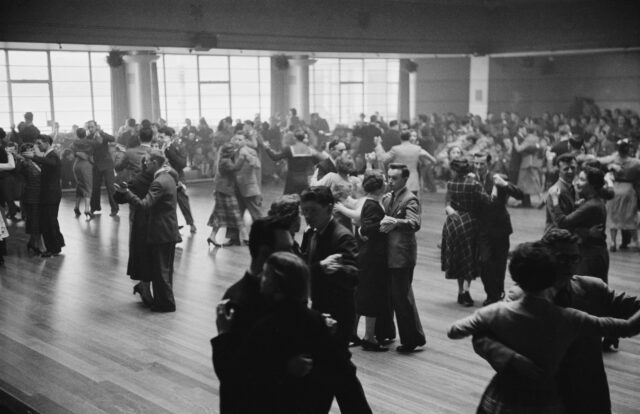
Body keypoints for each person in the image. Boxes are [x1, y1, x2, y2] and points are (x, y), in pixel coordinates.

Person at [449, 241, 640, 414]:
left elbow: (459, 330)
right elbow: (483, 338)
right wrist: (511, 358)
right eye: (562, 258)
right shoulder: (565, 316)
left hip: (575, 391)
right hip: (543, 398)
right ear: (550, 264)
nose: (570, 264)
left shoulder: (592, 288)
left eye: (574, 257)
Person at [242, 251, 372, 414]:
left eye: (266, 275)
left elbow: (247, 374)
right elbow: (342, 374)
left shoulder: (265, 324)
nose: (261, 277)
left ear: (279, 284)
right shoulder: (315, 321)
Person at [211, 216, 294, 413]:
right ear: (265, 252)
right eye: (287, 249)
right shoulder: (237, 302)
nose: (294, 255)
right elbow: (233, 372)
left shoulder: (284, 291)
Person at [115, 150, 181, 312]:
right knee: (163, 269)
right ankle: (161, 299)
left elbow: (144, 204)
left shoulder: (154, 180)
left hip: (154, 228)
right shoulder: (170, 176)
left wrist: (127, 193)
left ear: (154, 163)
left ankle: (162, 302)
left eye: (147, 161)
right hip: (165, 228)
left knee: (156, 268)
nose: (145, 163)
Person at [300, 186, 359, 349]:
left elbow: (354, 276)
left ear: (329, 208)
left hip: (338, 311)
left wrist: (338, 270)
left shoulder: (343, 236)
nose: (308, 216)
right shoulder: (311, 232)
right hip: (319, 306)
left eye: (313, 210)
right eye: (304, 210)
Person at [380, 164, 426, 352]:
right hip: (391, 255)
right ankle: (391, 332)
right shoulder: (390, 197)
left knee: (402, 298)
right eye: (389, 177)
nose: (390, 181)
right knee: (393, 296)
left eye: (394, 178)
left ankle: (412, 339)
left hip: (402, 257)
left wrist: (395, 222)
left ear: (405, 179)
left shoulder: (410, 199)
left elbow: (415, 223)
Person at [473, 152, 524, 305]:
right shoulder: (471, 180)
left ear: (488, 163)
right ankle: (492, 292)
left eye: (481, 164)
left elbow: (520, 195)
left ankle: (497, 294)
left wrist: (504, 184)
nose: (478, 167)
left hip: (500, 227)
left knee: (500, 263)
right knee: (484, 262)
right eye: (476, 163)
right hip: (482, 228)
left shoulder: (497, 178)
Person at [442, 158, 490, 306]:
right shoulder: (474, 184)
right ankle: (466, 292)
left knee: (458, 258)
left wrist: (449, 209)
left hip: (453, 223)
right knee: (469, 258)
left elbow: (447, 203)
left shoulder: (450, 184)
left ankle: (460, 292)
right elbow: (487, 201)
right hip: (469, 222)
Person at [550, 165, 609, 281]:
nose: (577, 182)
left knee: (586, 290)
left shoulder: (591, 205)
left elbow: (563, 222)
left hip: (590, 256)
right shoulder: (595, 201)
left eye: (582, 180)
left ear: (593, 185)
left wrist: (555, 200)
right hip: (595, 253)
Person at [353, 170, 390, 352]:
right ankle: (369, 337)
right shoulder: (373, 205)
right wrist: (386, 223)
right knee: (372, 295)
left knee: (366, 294)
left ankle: (365, 335)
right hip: (373, 256)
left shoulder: (371, 202)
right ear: (380, 187)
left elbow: (363, 228)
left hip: (370, 254)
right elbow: (367, 228)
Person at [114, 153, 156, 306]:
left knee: (149, 255)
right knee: (145, 254)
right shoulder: (141, 180)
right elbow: (119, 198)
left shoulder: (157, 178)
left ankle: (144, 287)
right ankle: (145, 288)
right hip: (143, 222)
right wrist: (122, 191)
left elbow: (119, 197)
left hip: (149, 221)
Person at [23, 135, 65, 257]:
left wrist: (34, 157)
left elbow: (50, 163)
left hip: (51, 195)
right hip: (49, 194)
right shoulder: (49, 155)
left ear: (47, 143)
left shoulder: (53, 156)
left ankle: (53, 248)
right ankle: (56, 246)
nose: (37, 146)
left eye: (39, 143)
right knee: (50, 221)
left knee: (49, 222)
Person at [597, 138, 640, 251]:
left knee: (613, 216)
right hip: (629, 189)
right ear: (628, 149)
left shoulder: (612, 160)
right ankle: (636, 242)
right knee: (630, 216)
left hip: (614, 188)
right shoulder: (635, 162)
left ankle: (612, 243)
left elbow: (599, 161)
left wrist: (610, 166)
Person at [206, 143, 247, 247]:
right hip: (226, 191)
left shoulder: (223, 160)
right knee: (236, 213)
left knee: (219, 215)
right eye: (233, 150)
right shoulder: (226, 161)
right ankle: (246, 237)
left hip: (222, 191)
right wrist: (242, 157)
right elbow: (236, 168)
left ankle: (212, 236)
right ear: (229, 152)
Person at [159, 127, 196, 234]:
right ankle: (172, 226)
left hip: (177, 178)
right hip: (164, 177)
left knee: (183, 201)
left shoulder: (178, 147)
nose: (159, 138)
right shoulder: (161, 146)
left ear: (169, 137)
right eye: (159, 136)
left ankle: (191, 223)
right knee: (169, 203)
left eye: (162, 137)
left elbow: (182, 164)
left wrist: (169, 151)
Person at [264, 129, 322, 195]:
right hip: (304, 180)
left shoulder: (289, 149)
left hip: (292, 180)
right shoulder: (309, 149)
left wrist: (267, 148)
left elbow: (275, 157)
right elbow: (318, 160)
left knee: (289, 201)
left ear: (294, 138)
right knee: (303, 200)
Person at [87, 120, 118, 216]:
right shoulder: (88, 138)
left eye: (92, 127)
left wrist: (102, 133)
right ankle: (94, 207)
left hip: (107, 164)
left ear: (96, 126)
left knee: (110, 187)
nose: (91, 129)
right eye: (89, 127)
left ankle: (114, 208)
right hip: (96, 165)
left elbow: (113, 138)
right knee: (95, 187)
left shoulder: (103, 135)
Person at [545, 153, 578, 232]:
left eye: (573, 168)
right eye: (566, 169)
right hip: (556, 236)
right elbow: (558, 221)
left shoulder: (574, 187)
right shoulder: (555, 191)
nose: (570, 171)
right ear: (559, 171)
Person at [70, 127, 95, 219]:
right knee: (88, 186)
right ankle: (87, 209)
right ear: (86, 133)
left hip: (76, 165)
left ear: (77, 134)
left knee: (80, 185)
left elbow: (72, 150)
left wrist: (77, 153)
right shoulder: (90, 142)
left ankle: (76, 207)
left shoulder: (74, 143)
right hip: (86, 165)